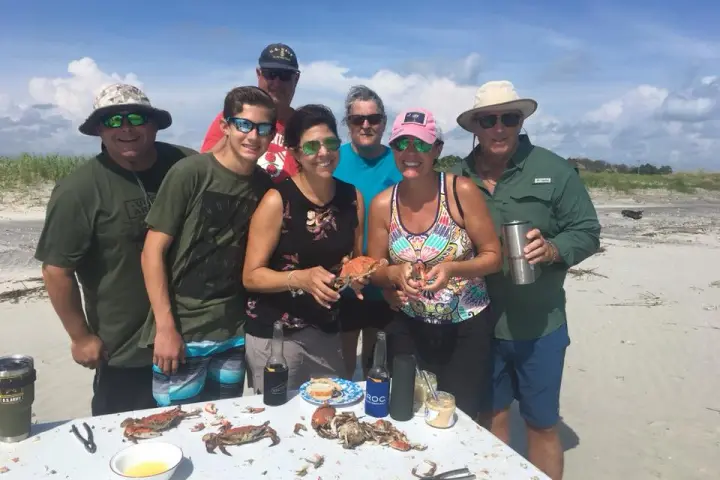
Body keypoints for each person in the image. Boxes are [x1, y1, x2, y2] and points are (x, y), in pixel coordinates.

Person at [452, 80, 601, 480]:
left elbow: (587, 231)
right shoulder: (455, 176)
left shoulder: (552, 170)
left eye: (509, 118)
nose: (498, 128)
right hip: (478, 322)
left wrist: (552, 249)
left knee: (541, 423)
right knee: (491, 414)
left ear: (520, 121)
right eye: (488, 120)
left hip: (540, 324)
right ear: (475, 127)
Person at [34, 84, 197, 416]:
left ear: (152, 124)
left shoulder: (185, 164)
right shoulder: (79, 190)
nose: (126, 127)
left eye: (136, 117)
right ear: (98, 129)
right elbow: (56, 270)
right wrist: (80, 337)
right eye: (112, 120)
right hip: (125, 347)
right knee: (129, 444)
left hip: (196, 335)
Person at [138, 86, 276, 406]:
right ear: (225, 126)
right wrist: (165, 328)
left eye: (263, 128)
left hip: (233, 332)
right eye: (244, 124)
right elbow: (152, 252)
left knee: (222, 424)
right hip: (183, 332)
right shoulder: (191, 172)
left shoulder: (264, 186)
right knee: (178, 427)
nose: (253, 136)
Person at [366, 107, 503, 419]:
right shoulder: (382, 204)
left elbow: (494, 257)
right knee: (404, 411)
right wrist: (394, 273)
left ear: (437, 149)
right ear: (392, 149)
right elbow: (373, 270)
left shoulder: (460, 191)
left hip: (466, 328)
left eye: (422, 145)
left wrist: (454, 268)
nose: (411, 153)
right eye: (402, 144)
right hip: (409, 327)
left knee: (460, 418)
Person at [242, 104, 366, 393]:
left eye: (331, 143)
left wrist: (357, 276)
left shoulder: (351, 196)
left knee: (329, 412)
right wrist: (299, 278)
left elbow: (354, 260)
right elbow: (251, 276)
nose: (323, 152)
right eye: (311, 146)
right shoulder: (277, 201)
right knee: (279, 421)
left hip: (326, 331)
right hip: (276, 336)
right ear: (295, 153)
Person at [332, 85, 402, 379]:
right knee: (343, 356)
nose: (365, 125)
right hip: (343, 276)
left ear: (384, 121)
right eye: (356, 119)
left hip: (388, 278)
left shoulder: (400, 160)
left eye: (373, 118)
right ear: (346, 123)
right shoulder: (333, 158)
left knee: (378, 360)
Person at [200, 43, 301, 183]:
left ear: (296, 79)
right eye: (271, 74)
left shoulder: (304, 127)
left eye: (284, 76)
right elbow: (204, 165)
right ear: (258, 74)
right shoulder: (233, 117)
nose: (276, 83)